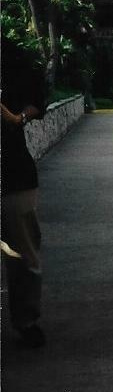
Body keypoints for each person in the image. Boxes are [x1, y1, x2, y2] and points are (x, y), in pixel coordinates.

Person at [1, 38, 48, 347]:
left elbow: (38, 98)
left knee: (24, 254)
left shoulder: (10, 54)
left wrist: (18, 117)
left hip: (13, 177)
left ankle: (27, 321)